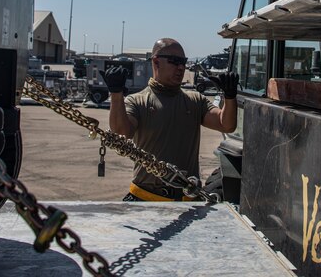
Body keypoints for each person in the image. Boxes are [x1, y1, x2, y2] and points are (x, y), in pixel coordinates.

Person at [102, 38, 238, 201]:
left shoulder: (195, 101)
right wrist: (116, 94)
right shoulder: (137, 101)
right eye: (174, 61)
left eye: (183, 62)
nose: (181, 67)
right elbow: (121, 134)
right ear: (156, 62)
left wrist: (230, 96)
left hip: (186, 200)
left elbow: (226, 125)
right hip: (147, 199)